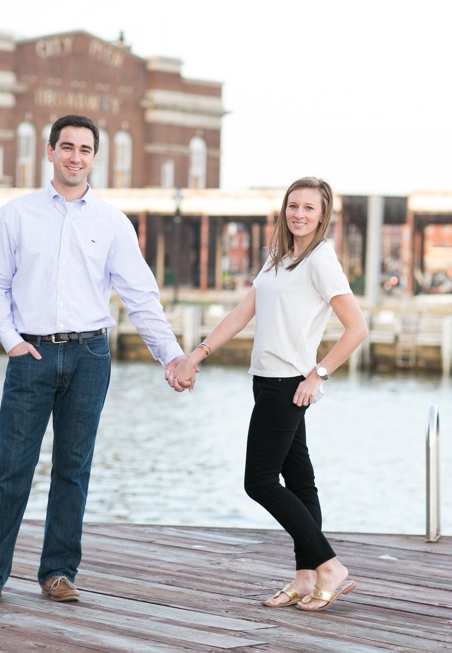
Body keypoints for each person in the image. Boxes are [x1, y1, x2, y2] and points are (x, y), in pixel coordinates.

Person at [0, 114, 191, 604]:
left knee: (73, 466)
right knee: (12, 465)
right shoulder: (17, 214)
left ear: (93, 158)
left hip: (90, 354)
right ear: (50, 152)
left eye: (85, 149)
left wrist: (170, 355)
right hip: (32, 353)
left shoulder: (111, 223)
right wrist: (10, 340)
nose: (75, 157)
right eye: (67, 147)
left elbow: (140, 295)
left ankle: (59, 573)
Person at [171, 177, 368, 612]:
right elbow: (243, 313)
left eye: (309, 208)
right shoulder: (279, 258)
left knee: (259, 482)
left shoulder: (320, 259)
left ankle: (330, 566)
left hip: (289, 385)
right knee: (299, 481)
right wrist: (196, 354)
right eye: (293, 205)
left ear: (323, 214)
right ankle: (304, 578)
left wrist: (319, 374)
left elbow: (357, 328)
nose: (298, 214)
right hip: (267, 381)